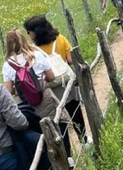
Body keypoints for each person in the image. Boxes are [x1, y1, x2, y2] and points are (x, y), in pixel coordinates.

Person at [2, 28, 73, 162]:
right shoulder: (36, 55)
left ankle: (50, 163)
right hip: (45, 97)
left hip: (26, 104)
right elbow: (51, 76)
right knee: (59, 122)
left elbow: (9, 90)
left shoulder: (8, 65)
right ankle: (68, 156)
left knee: (37, 132)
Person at [23, 14, 90, 147]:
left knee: (59, 121)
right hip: (66, 83)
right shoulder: (59, 39)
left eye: (28, 32)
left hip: (50, 90)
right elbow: (71, 60)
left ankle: (67, 151)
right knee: (75, 112)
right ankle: (83, 140)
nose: (28, 34)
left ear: (35, 32)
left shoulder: (32, 50)